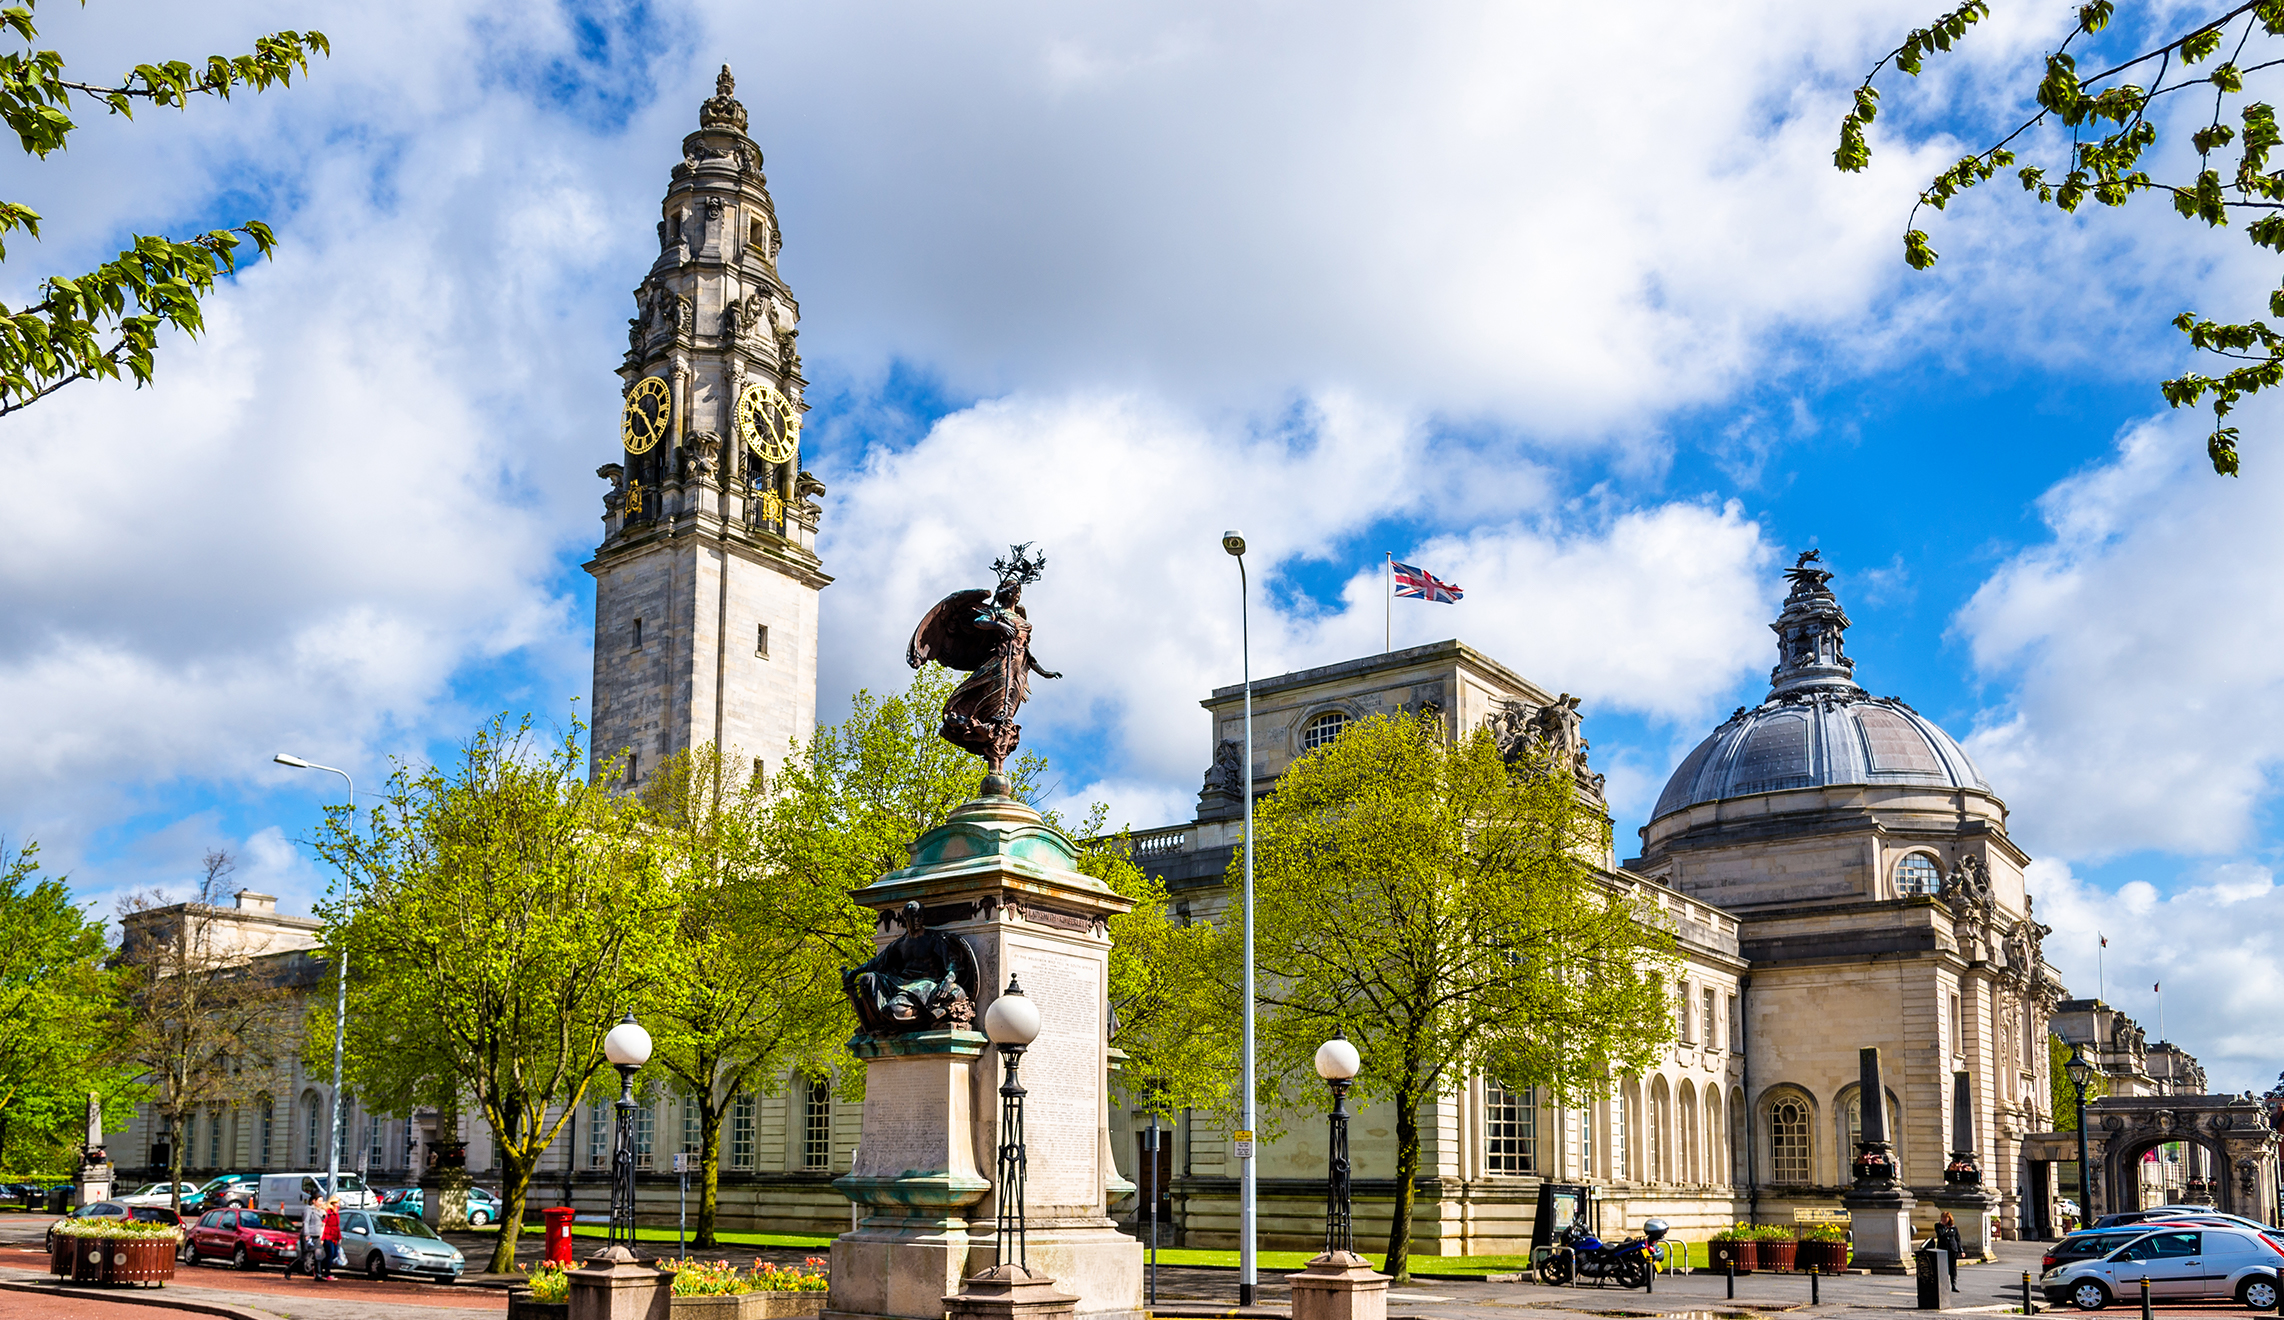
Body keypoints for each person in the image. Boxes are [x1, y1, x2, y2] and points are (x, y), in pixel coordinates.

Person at [287, 1196, 324, 1280]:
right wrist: (307, 1234)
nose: (321, 1203)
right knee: (305, 1257)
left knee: (318, 1255)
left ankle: (318, 1275)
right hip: (309, 1235)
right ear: (314, 1201)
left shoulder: (320, 1211)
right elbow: (306, 1221)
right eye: (319, 1201)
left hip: (317, 1235)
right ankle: (289, 1270)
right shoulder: (309, 1209)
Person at [1933, 1210, 1964, 1289]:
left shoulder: (1954, 1228)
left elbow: (1958, 1239)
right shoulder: (1938, 1226)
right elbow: (1941, 1235)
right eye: (1943, 1217)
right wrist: (1944, 1227)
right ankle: (1943, 1284)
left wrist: (1961, 1251)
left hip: (1952, 1249)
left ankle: (1953, 1284)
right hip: (1942, 1249)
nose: (1944, 1219)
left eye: (1946, 1218)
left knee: (1953, 1268)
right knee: (1943, 1267)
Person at [320, 1196, 343, 1281]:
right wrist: (322, 1238)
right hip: (328, 1236)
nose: (338, 1204)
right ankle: (327, 1273)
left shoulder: (336, 1212)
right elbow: (324, 1225)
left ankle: (319, 1267)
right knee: (330, 1254)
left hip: (334, 1236)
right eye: (337, 1202)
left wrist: (339, 1237)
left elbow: (337, 1226)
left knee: (334, 1255)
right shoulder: (328, 1213)